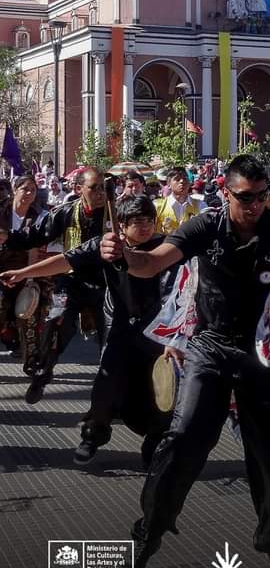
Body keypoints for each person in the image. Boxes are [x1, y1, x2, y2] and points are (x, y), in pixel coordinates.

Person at [99, 155, 270, 568]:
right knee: (181, 443)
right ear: (225, 192)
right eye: (244, 197)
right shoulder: (205, 227)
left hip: (264, 352)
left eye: (261, 197)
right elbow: (152, 262)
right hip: (209, 347)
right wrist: (123, 256)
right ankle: (148, 533)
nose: (254, 205)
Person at [0, 195, 193, 466]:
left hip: (155, 333)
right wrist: (23, 273)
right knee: (106, 385)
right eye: (138, 221)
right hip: (118, 329)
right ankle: (93, 436)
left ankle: (155, 442)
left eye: (149, 220)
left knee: (161, 392)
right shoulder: (106, 246)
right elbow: (65, 262)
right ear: (122, 225)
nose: (146, 226)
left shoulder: (165, 248)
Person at [4, 167, 109, 402]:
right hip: (70, 280)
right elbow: (37, 235)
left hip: (106, 284)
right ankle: (42, 374)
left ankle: (107, 395)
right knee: (54, 324)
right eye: (94, 188)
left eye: (103, 187)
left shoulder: (114, 212)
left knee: (110, 339)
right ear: (79, 189)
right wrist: (8, 237)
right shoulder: (65, 212)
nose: (101, 193)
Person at [0, 176, 52, 398]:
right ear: (15, 189)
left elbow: (34, 249)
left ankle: (32, 363)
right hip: (0, 271)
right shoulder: (1, 212)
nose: (29, 193)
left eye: (33, 189)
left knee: (30, 315)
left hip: (26, 271)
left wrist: (28, 278)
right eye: (25, 189)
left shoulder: (40, 216)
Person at [154, 167, 206, 233]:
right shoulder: (157, 206)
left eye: (185, 179)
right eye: (177, 179)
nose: (182, 182)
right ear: (169, 184)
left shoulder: (200, 205)